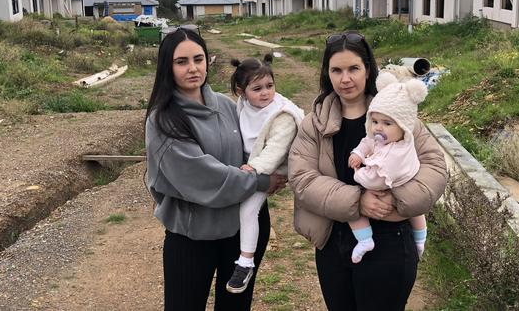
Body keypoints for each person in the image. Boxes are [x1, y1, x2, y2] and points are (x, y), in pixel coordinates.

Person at [288, 31, 447, 311]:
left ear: (368, 69)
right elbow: (302, 179)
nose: (345, 78)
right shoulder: (314, 123)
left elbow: (435, 168)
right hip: (333, 241)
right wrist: (357, 201)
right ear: (327, 73)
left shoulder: (396, 112)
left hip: (391, 241)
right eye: (336, 70)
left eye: (353, 68)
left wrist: (396, 201)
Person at [144, 28, 286, 310]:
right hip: (192, 236)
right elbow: (202, 175)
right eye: (181, 62)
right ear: (167, 67)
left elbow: (254, 147)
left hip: (239, 231)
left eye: (199, 59)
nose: (193, 68)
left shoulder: (226, 105)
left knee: (236, 305)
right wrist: (260, 182)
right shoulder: (163, 119)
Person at [225, 54, 304, 293]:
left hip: (273, 165)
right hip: (252, 161)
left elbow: (276, 149)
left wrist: (254, 169)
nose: (265, 93)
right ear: (241, 92)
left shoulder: (281, 115)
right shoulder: (244, 105)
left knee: (248, 209)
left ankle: (245, 262)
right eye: (257, 88)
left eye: (269, 86)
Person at [347, 72, 429, 263]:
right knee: (348, 206)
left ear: (404, 127)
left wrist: (358, 174)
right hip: (391, 186)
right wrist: (358, 154)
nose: (378, 128)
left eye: (387, 123)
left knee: (353, 210)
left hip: (389, 185)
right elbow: (366, 142)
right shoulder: (383, 138)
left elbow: (374, 180)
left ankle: (366, 239)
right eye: (374, 121)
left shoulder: (397, 151)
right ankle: (419, 239)